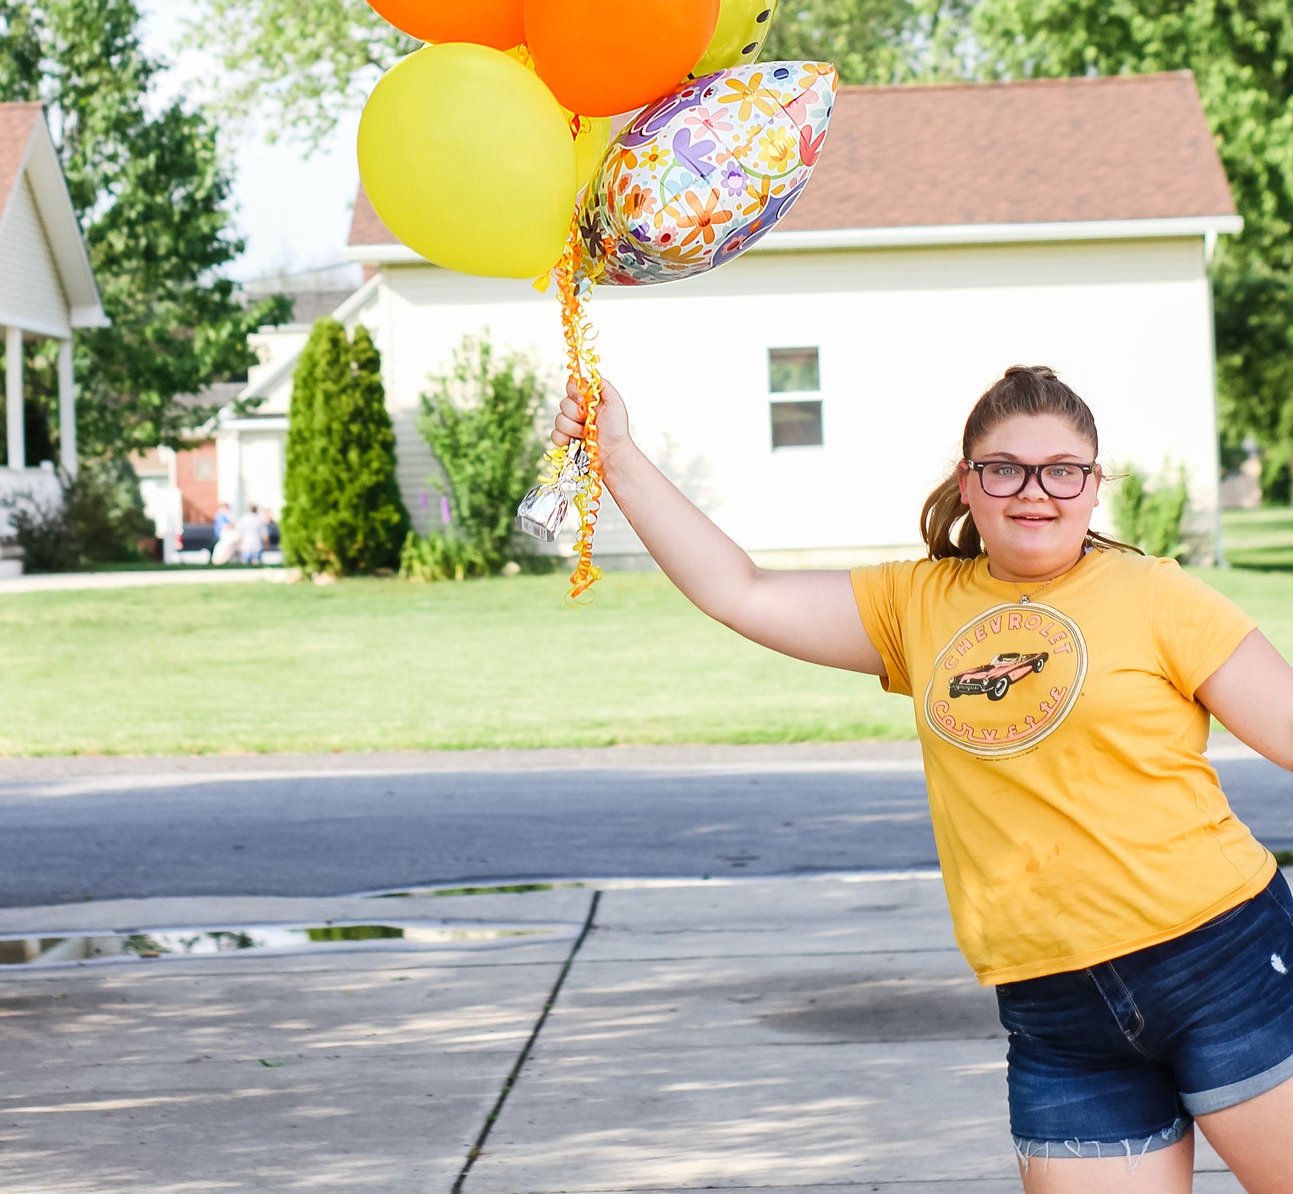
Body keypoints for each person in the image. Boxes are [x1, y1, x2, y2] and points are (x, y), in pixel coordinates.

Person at [553, 362, 1293, 1191]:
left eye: (1063, 471)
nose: (1034, 492)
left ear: (1093, 486)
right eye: (1004, 469)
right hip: (1053, 1009)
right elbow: (739, 591)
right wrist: (615, 456)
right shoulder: (918, 604)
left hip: (1220, 961)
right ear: (967, 483)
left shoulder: (1157, 596)